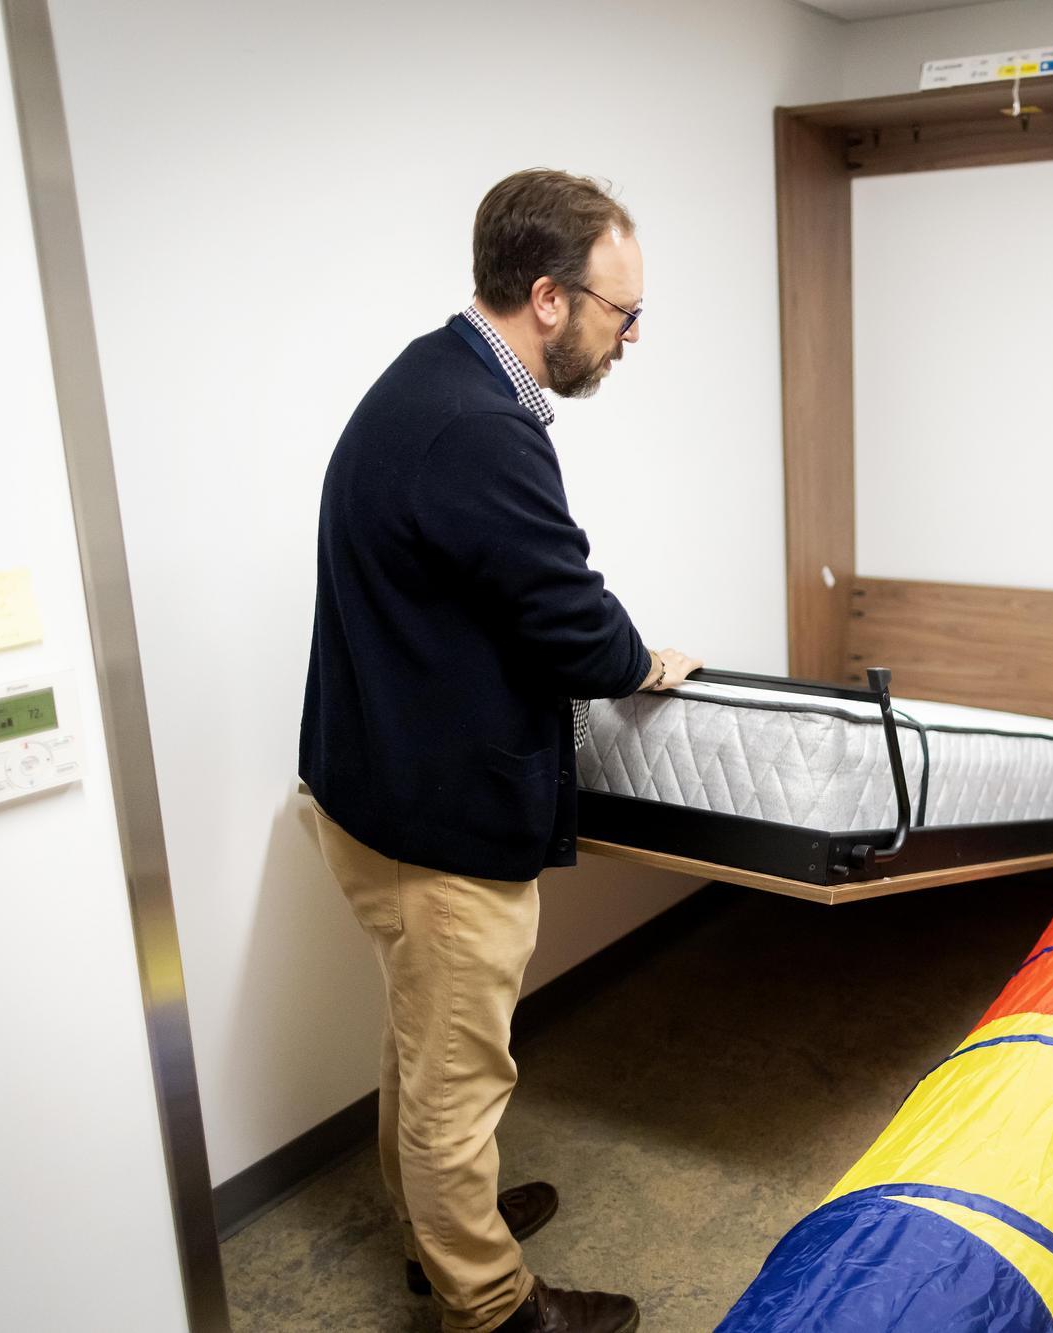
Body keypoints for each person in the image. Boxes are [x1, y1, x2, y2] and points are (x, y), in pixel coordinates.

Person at [299, 168, 698, 1333]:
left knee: (423, 1050)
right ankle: (489, 1304)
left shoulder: (432, 377)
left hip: (371, 789)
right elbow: (565, 612)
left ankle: (441, 1232)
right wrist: (638, 660)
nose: (631, 339)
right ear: (549, 298)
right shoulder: (477, 425)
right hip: (434, 821)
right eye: (622, 314)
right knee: (457, 1085)